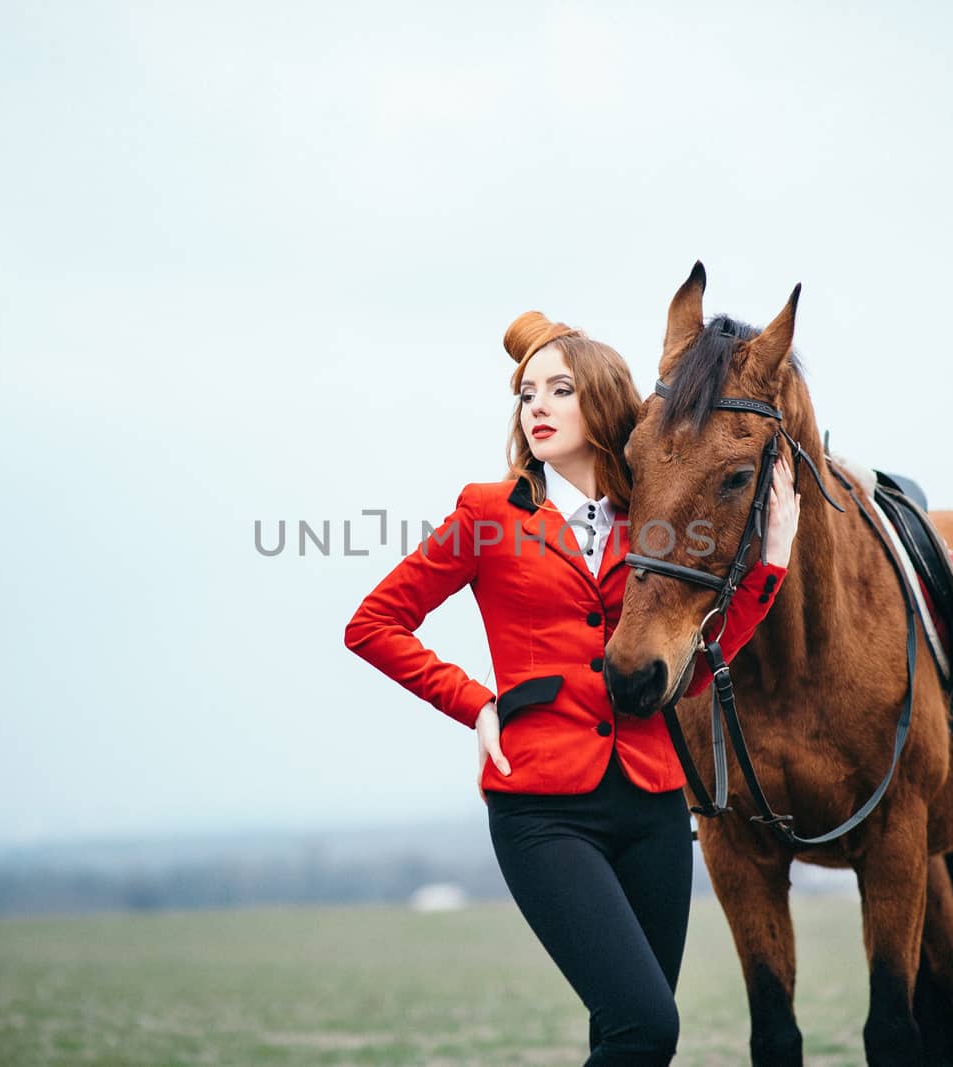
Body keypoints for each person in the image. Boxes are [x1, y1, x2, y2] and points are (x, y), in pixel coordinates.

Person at [343, 311, 801, 1065]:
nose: (538, 407)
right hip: (542, 810)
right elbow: (374, 623)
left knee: (630, 1041)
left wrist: (771, 561)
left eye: (559, 389)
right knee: (646, 1025)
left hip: (653, 803)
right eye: (528, 393)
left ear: (604, 401)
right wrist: (475, 702)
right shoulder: (486, 515)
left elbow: (696, 659)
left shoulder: (651, 519)